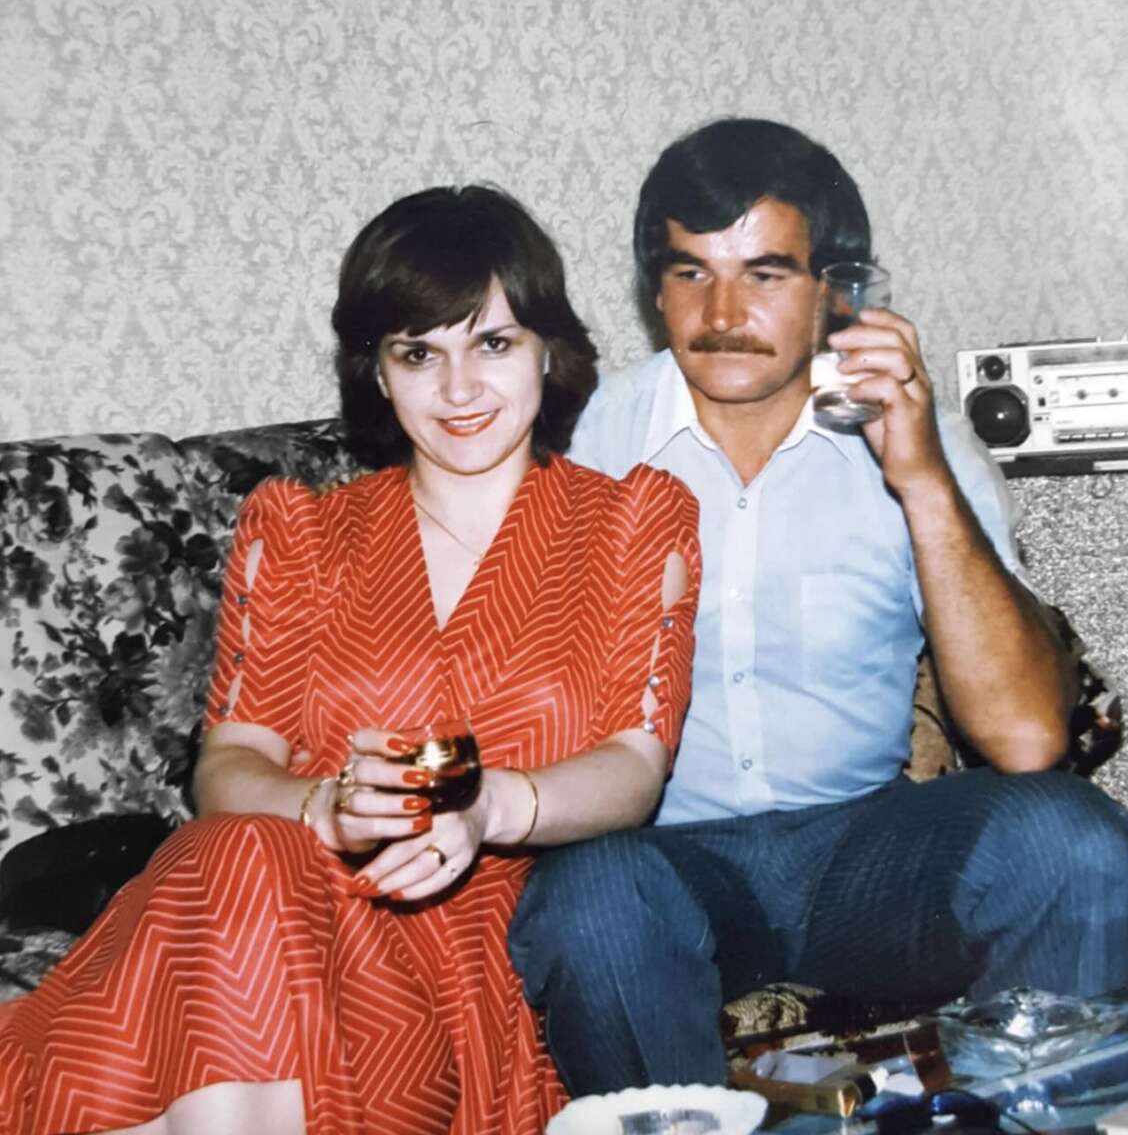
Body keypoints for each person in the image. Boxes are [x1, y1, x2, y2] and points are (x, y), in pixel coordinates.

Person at [0, 185, 701, 1135]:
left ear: (549, 348)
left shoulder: (632, 524)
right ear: (376, 372)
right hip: (278, 907)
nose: (458, 391)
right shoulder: (298, 532)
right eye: (419, 353)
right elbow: (229, 767)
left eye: (492, 344)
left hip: (466, 943)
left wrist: (493, 803)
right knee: (244, 850)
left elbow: (634, 764)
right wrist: (323, 808)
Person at [509, 118, 1128, 1096]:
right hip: (673, 873)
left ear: (835, 290)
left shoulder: (909, 433)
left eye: (764, 274)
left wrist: (921, 477)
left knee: (1068, 841)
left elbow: (1025, 740)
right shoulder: (595, 441)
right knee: (592, 904)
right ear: (655, 291)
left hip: (871, 858)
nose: (720, 312)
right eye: (688, 273)